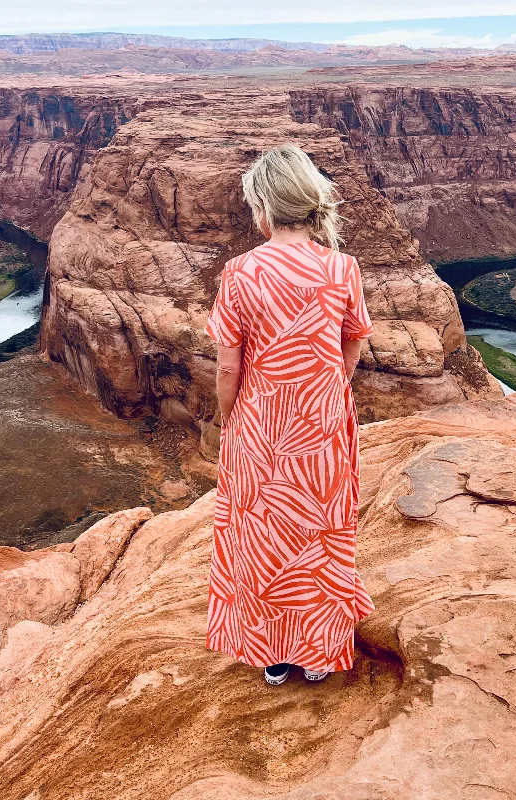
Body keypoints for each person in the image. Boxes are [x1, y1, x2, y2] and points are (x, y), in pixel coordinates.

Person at [204, 144, 375, 686]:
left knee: (263, 536)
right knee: (321, 535)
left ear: (263, 208)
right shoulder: (342, 268)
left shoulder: (240, 273)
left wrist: (231, 421)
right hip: (322, 425)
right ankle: (320, 654)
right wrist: (328, 386)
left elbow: (229, 368)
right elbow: (355, 343)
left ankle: (274, 655)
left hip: (261, 427)